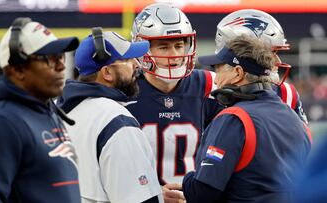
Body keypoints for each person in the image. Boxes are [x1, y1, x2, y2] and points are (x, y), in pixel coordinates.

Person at [182, 35, 312, 203]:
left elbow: (203, 193)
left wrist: (187, 179)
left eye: (219, 69)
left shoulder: (234, 119)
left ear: (238, 73)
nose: (216, 78)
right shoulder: (296, 121)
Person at [0, 17, 80, 203]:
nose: (61, 66)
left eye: (60, 56)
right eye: (50, 59)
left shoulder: (47, 110)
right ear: (18, 70)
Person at [57, 28, 163, 203]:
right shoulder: (116, 120)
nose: (137, 65)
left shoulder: (56, 112)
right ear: (106, 72)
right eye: (128, 59)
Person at [128, 2, 221, 192]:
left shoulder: (209, 85)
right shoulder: (124, 92)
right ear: (142, 49)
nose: (175, 55)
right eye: (163, 47)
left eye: (179, 45)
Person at [212, 9, 308, 123]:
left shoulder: (286, 93)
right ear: (243, 55)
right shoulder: (210, 89)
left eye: (276, 53)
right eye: (270, 53)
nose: (278, 61)